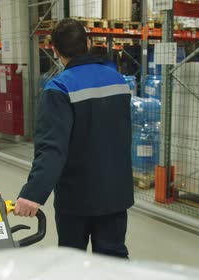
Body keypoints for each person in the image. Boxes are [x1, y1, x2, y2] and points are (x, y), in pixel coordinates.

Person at [13, 18, 134, 258]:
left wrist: (32, 194)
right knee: (113, 261)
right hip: (115, 193)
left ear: (55, 51)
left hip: (78, 197)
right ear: (87, 43)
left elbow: (52, 149)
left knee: (72, 261)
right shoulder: (118, 80)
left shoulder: (59, 88)